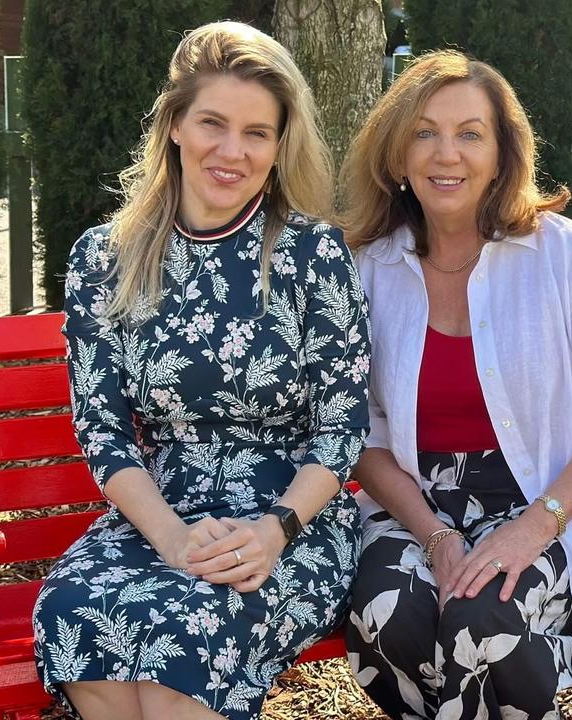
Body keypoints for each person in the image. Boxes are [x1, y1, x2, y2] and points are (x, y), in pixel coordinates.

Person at [32, 22, 370, 720]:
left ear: (279, 148)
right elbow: (102, 429)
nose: (232, 150)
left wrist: (274, 530)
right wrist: (171, 537)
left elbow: (343, 429)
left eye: (257, 133)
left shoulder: (313, 255)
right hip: (159, 515)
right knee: (74, 612)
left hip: (290, 524)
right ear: (175, 125)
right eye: (212, 123)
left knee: (182, 648)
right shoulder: (104, 258)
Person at [339, 50, 572, 720]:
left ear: (501, 153)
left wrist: (533, 527)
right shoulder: (366, 271)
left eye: (469, 134)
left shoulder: (568, 258)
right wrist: (431, 534)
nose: (445, 154)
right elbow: (361, 435)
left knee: (483, 621)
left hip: (548, 498)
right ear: (398, 156)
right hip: (416, 502)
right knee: (388, 617)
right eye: (424, 133)